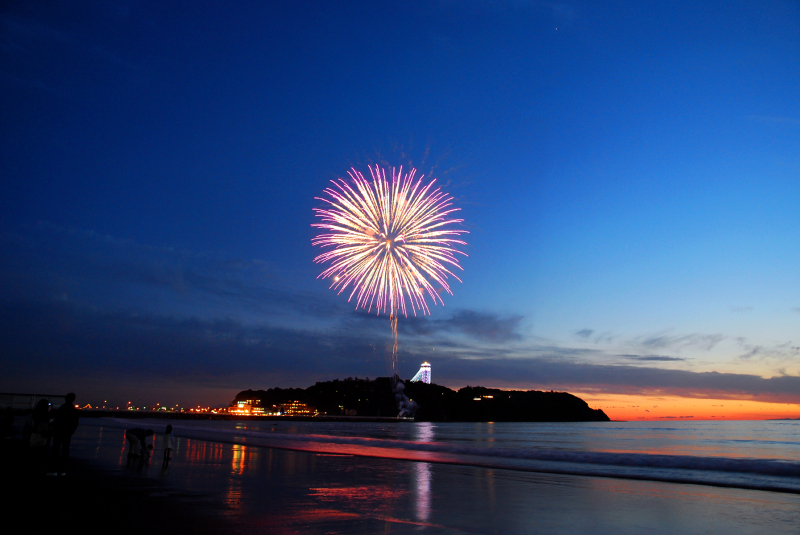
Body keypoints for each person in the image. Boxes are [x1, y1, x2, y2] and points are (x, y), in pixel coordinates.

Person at [49, 393, 79, 476]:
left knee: (55, 451)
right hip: (67, 433)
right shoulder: (73, 410)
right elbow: (75, 423)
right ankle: (63, 471)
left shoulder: (63, 408)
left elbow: (57, 419)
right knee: (65, 452)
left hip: (59, 432)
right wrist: (71, 431)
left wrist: (51, 427)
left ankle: (53, 470)